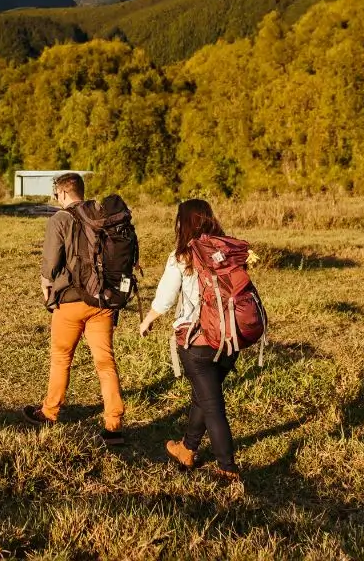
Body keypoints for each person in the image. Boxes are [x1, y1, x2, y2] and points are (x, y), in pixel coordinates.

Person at [137, 199, 242, 486]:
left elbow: (166, 297)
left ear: (182, 222)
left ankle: (227, 468)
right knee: (204, 396)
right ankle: (187, 449)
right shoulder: (228, 248)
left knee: (212, 404)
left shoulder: (182, 255)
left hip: (198, 342)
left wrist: (148, 320)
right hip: (231, 338)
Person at [21, 173, 126, 446]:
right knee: (105, 362)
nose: (56, 199)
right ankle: (114, 425)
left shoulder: (60, 219)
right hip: (102, 301)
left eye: (56, 194)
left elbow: (51, 262)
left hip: (70, 301)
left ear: (64, 193)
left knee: (61, 357)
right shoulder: (100, 216)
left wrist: (46, 284)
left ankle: (50, 411)